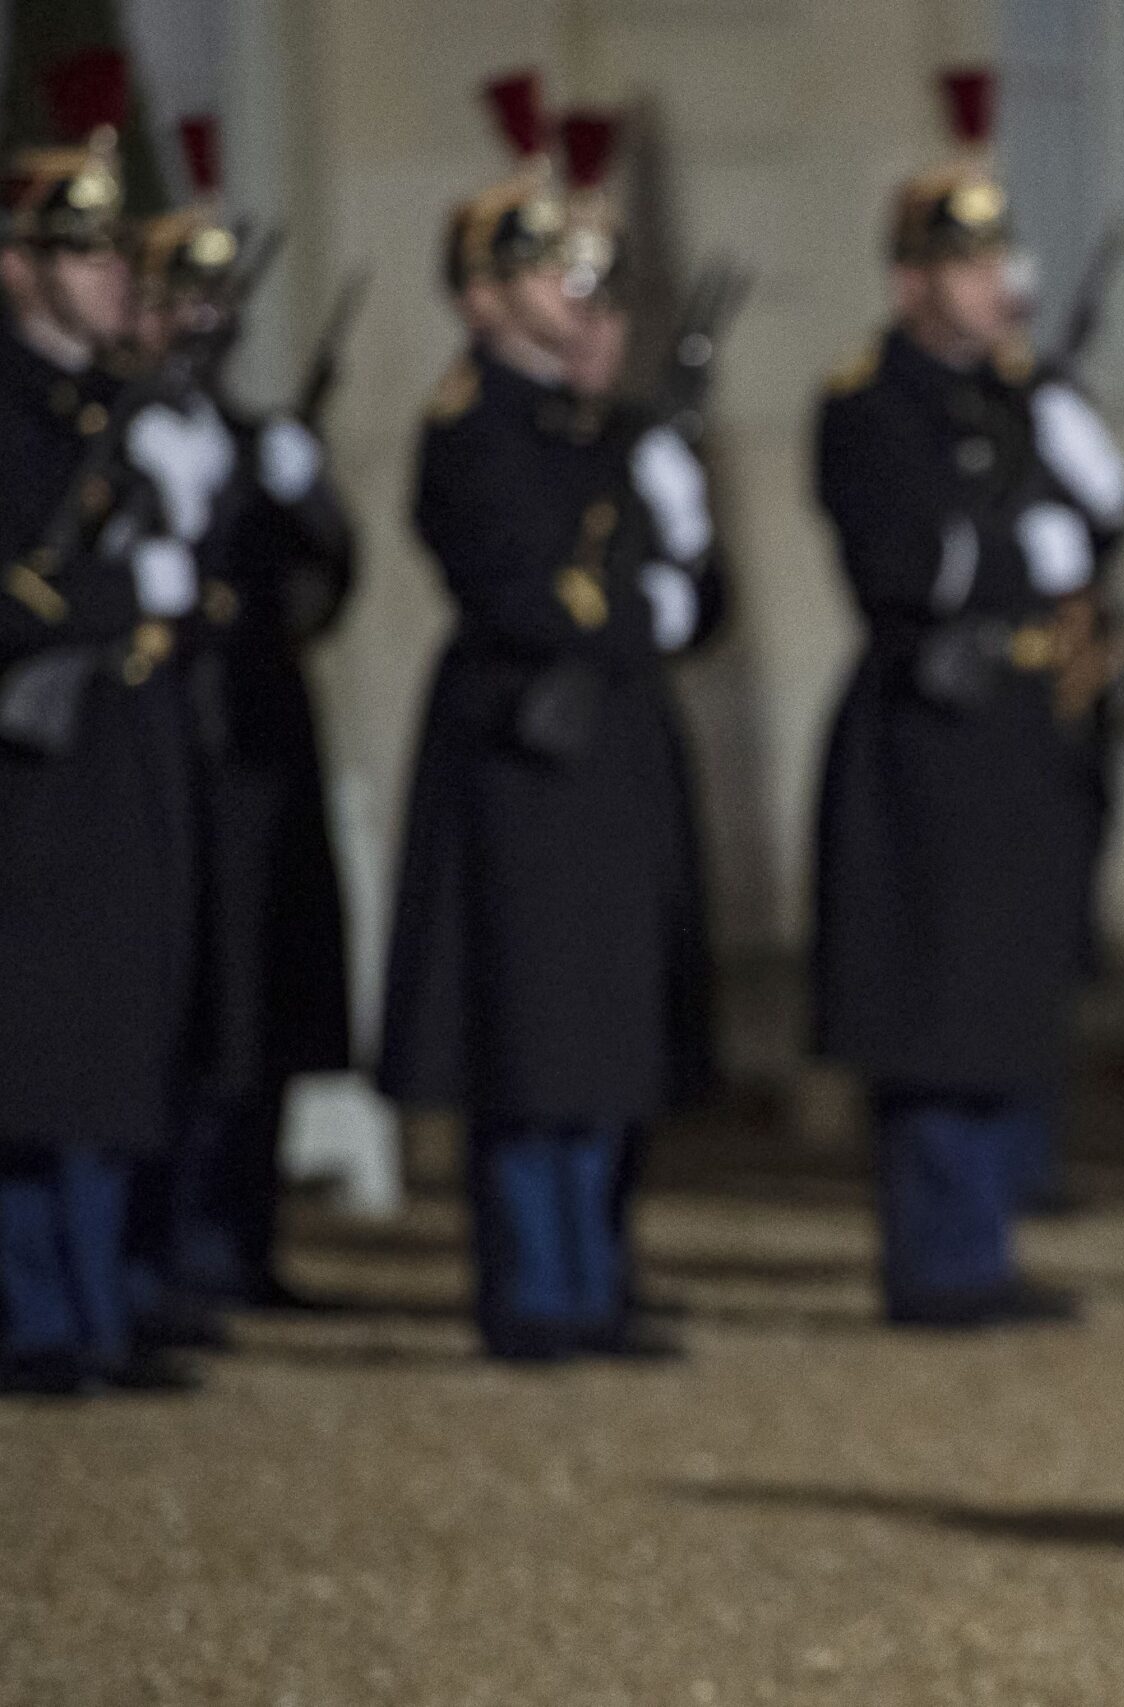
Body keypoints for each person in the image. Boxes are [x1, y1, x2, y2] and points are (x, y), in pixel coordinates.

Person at [380, 77, 723, 1359]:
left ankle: (602, 1267)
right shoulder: (470, 429)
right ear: (479, 297)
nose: (580, 295)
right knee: (532, 1030)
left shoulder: (609, 428)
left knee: (614, 1023)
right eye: (544, 273)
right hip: (529, 749)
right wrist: (652, 600)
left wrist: (675, 553)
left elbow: (705, 597)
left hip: (616, 749)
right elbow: (528, 594)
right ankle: (538, 1285)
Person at [811, 69, 1124, 1327]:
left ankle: (989, 1231)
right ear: (910, 281)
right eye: (964, 262)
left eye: (999, 256)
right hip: (928, 725)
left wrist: (1065, 441)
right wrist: (1024, 554)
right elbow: (904, 559)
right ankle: (938, 1256)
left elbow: (1105, 522)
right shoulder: (868, 399)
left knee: (1008, 981)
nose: (993, 280)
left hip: (1022, 725)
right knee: (935, 993)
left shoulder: (1017, 391)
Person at [0, 53, 209, 1395]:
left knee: (117, 1028)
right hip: (30, 763)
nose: (114, 274)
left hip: (116, 747)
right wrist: (105, 584)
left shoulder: (106, 403)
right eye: (78, 251)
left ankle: (101, 1297)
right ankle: (33, 1312)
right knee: (35, 1042)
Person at [126, 115, 358, 1313]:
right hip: (172, 741)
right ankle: (161, 1249)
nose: (207, 329)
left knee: (264, 995)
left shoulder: (258, 440)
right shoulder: (124, 439)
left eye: (222, 308)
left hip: (262, 742)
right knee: (178, 1001)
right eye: (185, 304)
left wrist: (303, 502)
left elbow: (327, 590)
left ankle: (244, 1236)